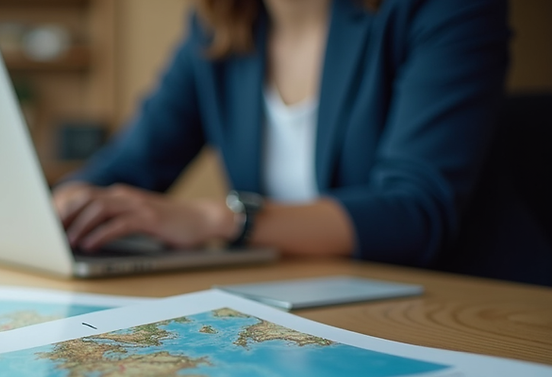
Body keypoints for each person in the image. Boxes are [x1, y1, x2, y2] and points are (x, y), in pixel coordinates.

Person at [52, 0, 510, 270]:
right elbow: (128, 167)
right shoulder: (218, 29)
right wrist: (68, 204)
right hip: (292, 309)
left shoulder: (443, 10)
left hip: (439, 314)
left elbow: (416, 212)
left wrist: (217, 220)